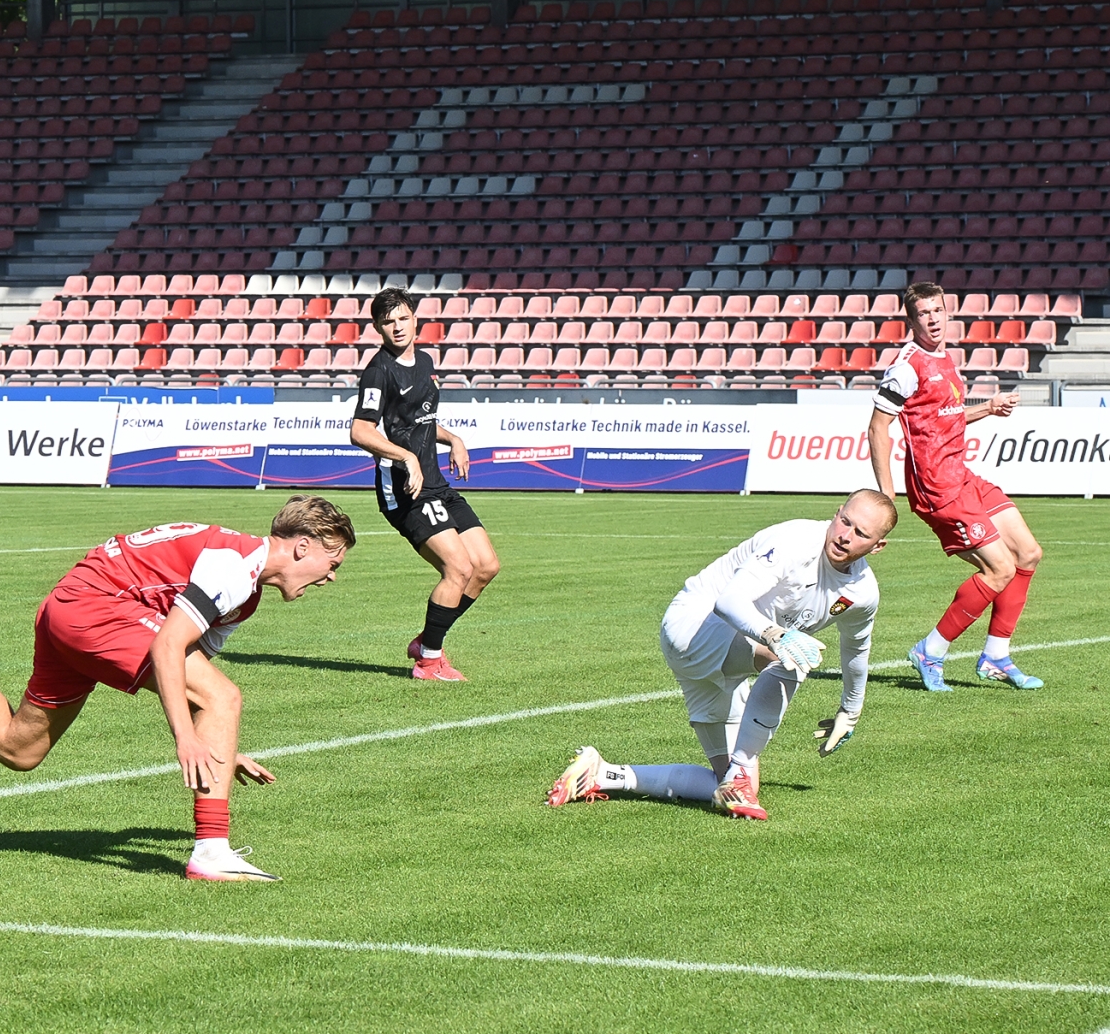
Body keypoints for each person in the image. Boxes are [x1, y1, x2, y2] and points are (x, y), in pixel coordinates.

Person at [0, 497, 356, 881]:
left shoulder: (245, 590)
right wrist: (190, 735)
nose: (331, 577)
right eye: (332, 563)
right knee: (225, 696)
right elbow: (170, 652)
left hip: (69, 605)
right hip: (95, 609)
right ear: (302, 546)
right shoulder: (235, 568)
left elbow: (185, 680)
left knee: (19, 748)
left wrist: (217, 739)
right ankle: (212, 852)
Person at [545, 490, 896, 821]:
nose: (845, 536)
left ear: (878, 546)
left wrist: (850, 712)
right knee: (791, 658)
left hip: (730, 657)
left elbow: (856, 650)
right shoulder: (795, 541)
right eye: (845, 521)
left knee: (728, 787)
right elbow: (729, 601)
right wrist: (775, 636)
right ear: (836, 513)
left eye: (860, 533)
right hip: (694, 626)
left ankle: (605, 774)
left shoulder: (862, 592)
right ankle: (740, 769)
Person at [868, 281, 1042, 692]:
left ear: (947, 313)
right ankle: (931, 650)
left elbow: (945, 416)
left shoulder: (944, 357)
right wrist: (887, 497)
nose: (933, 319)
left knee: (1028, 553)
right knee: (999, 569)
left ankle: (996, 656)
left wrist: (988, 408)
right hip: (937, 488)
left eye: (938, 311)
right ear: (911, 321)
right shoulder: (906, 367)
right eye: (923, 313)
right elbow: (877, 428)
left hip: (962, 476)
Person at [348, 286, 499, 682]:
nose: (397, 327)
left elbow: (421, 421)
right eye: (388, 322)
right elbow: (360, 431)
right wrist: (407, 457)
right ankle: (429, 662)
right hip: (405, 488)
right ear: (377, 327)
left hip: (436, 481)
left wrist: (454, 439)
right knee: (458, 568)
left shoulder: (426, 361)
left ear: (416, 319)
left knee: (485, 566)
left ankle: (427, 641)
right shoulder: (379, 371)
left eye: (403, 318)